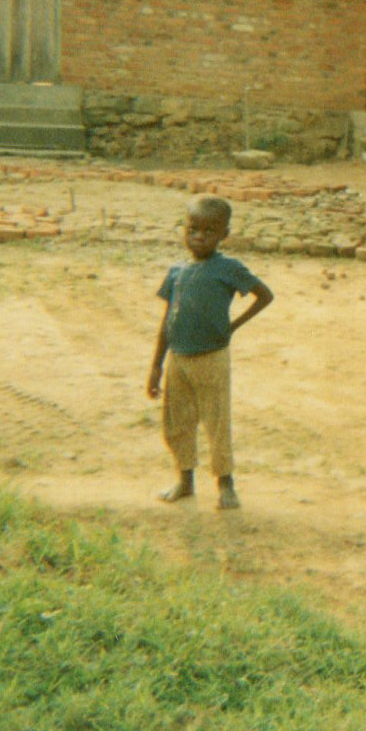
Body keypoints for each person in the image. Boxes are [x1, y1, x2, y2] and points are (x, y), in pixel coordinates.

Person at [145, 194, 273, 510]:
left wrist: (233, 326)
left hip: (212, 357)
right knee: (177, 423)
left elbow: (264, 295)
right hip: (178, 358)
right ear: (184, 229)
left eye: (209, 231)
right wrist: (156, 366)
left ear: (224, 235)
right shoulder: (177, 272)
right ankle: (184, 480)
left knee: (216, 423)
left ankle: (225, 485)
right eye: (192, 229)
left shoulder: (228, 268)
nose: (199, 236)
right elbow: (167, 320)